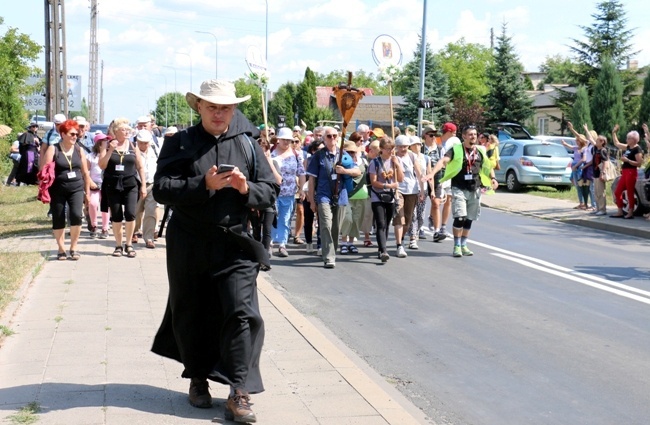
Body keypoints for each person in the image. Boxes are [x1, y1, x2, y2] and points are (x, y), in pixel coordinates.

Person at [151, 79, 278, 423]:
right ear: (199, 108)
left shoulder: (250, 145)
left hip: (234, 243)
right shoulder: (180, 143)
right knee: (192, 310)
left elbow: (269, 192)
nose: (219, 113)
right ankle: (198, 377)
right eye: (212, 107)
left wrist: (245, 187)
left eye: (225, 107)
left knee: (242, 313)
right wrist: (201, 185)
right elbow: (161, 189)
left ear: (234, 109)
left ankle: (240, 391)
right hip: (189, 242)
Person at [424, 124, 498, 257]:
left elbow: (488, 165)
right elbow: (443, 161)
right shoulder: (456, 150)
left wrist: (493, 178)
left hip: (475, 189)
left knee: (469, 219)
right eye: (470, 134)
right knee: (460, 217)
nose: (473, 137)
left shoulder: (480, 151)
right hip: (459, 188)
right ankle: (457, 245)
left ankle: (464, 244)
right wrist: (432, 173)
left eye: (475, 134)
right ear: (463, 136)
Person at [306, 126, 360, 268]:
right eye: (329, 136)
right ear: (323, 138)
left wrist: (344, 171)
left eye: (335, 136)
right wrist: (312, 200)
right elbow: (311, 180)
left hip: (341, 195)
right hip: (323, 195)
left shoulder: (344, 155)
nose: (332, 139)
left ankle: (331, 251)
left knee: (336, 227)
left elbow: (357, 171)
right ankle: (329, 256)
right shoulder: (318, 156)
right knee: (326, 224)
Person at [41, 119, 91, 260]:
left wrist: (87, 192)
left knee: (76, 215)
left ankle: (74, 247)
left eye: (76, 134)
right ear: (62, 134)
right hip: (57, 189)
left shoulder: (78, 149)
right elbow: (45, 171)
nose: (75, 136)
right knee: (58, 218)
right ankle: (61, 248)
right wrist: (44, 189)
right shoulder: (53, 149)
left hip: (76, 187)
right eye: (71, 134)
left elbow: (85, 172)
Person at [98, 118, 147, 258]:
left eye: (128, 129)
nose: (127, 132)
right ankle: (118, 245)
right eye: (124, 129)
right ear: (116, 131)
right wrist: (110, 150)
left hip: (130, 184)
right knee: (117, 215)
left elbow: (140, 167)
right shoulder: (106, 145)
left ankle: (129, 244)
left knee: (131, 213)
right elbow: (101, 165)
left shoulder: (132, 145)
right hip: (112, 184)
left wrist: (143, 185)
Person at [271, 127, 306, 257]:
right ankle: (269, 242)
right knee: (272, 218)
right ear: (278, 139)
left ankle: (282, 244)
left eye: (289, 140)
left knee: (285, 219)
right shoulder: (271, 153)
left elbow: (301, 173)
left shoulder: (296, 155)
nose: (286, 142)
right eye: (284, 139)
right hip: (273, 193)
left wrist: (302, 188)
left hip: (289, 193)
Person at [368, 137, 404, 262]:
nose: (390, 151)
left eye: (392, 149)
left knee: (387, 223)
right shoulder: (375, 162)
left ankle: (381, 247)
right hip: (377, 196)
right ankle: (383, 251)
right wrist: (387, 185)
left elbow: (400, 179)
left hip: (390, 197)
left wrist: (398, 165)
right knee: (380, 223)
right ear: (382, 149)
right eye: (388, 149)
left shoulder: (395, 160)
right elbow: (373, 182)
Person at [392, 135, 425, 257]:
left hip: (412, 190)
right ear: (396, 146)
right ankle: (399, 245)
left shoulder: (412, 156)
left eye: (405, 146)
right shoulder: (393, 157)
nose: (403, 149)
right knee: (399, 218)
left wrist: (422, 190)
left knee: (407, 219)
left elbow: (419, 173)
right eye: (400, 146)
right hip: (398, 190)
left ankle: (401, 237)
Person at [133, 130, 160, 249]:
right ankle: (133, 232)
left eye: (146, 142)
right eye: (141, 142)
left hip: (152, 184)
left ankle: (148, 238)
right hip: (137, 184)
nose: (143, 145)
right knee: (136, 211)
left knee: (151, 210)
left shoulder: (155, 150)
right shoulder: (133, 152)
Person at [610, 124, 643, 219]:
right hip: (624, 172)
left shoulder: (637, 149)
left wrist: (627, 160)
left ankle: (630, 212)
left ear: (634, 139)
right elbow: (617, 143)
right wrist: (614, 133)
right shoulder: (629, 147)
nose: (626, 139)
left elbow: (639, 163)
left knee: (630, 192)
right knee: (617, 191)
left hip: (631, 172)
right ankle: (620, 211)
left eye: (628, 138)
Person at [87, 133, 111, 239]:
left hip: (106, 183)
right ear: (98, 143)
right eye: (104, 141)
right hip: (94, 184)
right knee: (93, 203)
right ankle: (93, 225)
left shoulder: (110, 154)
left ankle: (105, 228)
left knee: (105, 206)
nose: (106, 143)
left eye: (107, 141)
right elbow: (86, 171)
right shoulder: (90, 156)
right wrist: (90, 182)